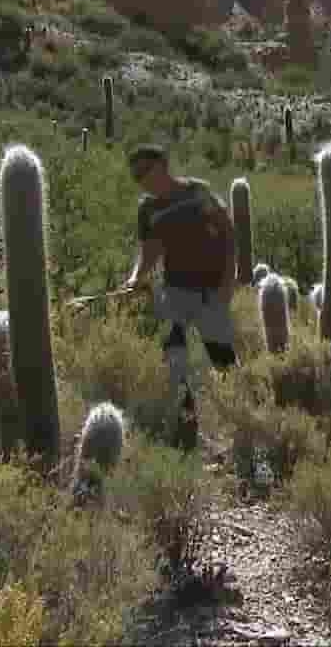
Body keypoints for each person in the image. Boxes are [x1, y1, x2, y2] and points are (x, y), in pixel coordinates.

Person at [120, 144, 239, 449]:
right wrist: (136, 278)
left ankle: (243, 423)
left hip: (210, 291)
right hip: (174, 291)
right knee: (175, 360)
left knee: (222, 359)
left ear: (163, 165)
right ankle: (187, 431)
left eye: (145, 170)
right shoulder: (148, 209)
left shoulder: (197, 192)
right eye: (136, 175)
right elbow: (148, 253)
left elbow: (227, 233)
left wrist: (228, 281)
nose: (142, 179)